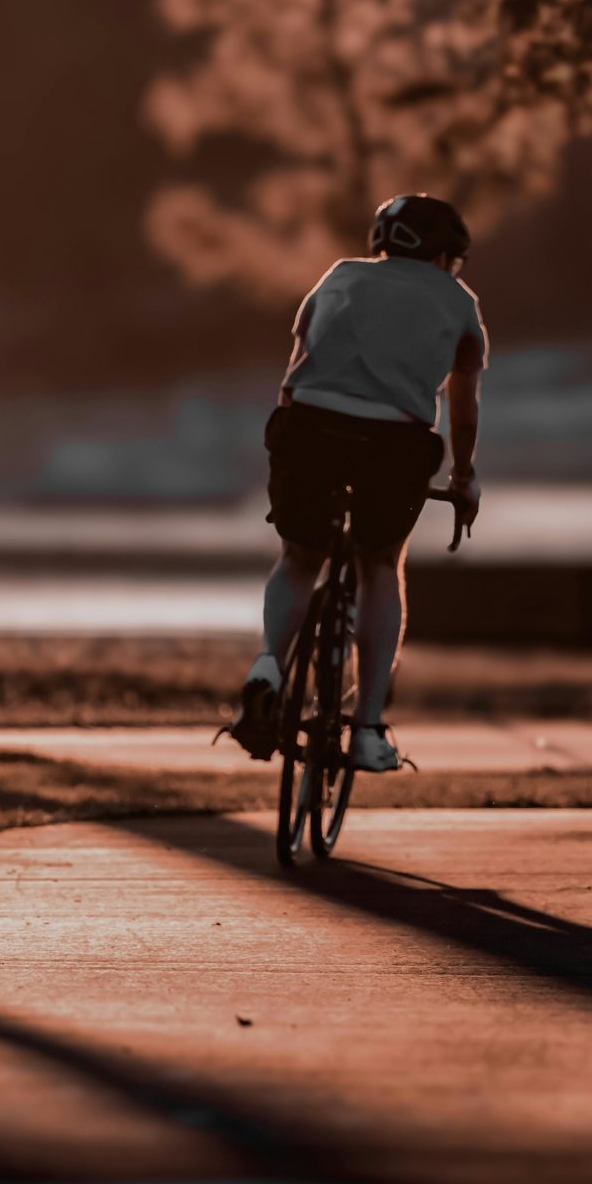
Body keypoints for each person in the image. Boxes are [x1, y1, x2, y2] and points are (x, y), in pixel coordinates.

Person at [226, 194, 486, 771]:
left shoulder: (339, 277)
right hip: (395, 443)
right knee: (378, 566)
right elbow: (464, 413)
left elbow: (294, 375)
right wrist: (463, 478)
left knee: (298, 557)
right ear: (446, 255)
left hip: (310, 426)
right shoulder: (459, 304)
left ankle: (268, 665)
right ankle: (367, 729)